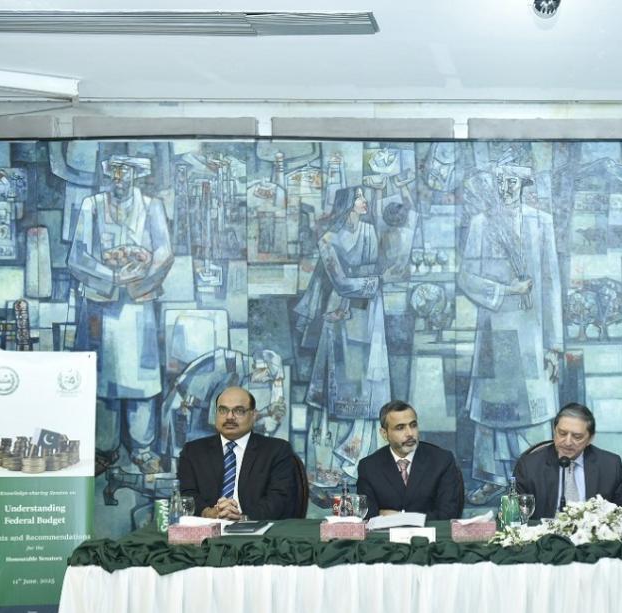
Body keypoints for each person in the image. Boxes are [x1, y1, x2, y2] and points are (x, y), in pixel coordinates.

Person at [458, 159, 564, 504]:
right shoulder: (481, 223)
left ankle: (533, 481)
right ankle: (493, 478)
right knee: (492, 408)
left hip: (531, 333)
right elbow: (466, 278)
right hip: (494, 328)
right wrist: (505, 291)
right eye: (500, 181)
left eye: (512, 182)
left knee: (532, 409)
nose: (505, 188)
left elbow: (550, 283)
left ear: (523, 186)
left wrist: (554, 346)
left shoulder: (541, 222)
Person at [67, 155, 174, 476]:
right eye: (114, 170)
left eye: (124, 171)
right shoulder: (92, 205)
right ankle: (104, 448)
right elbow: (78, 256)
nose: (119, 177)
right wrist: (112, 277)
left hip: (138, 307)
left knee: (141, 380)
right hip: (101, 306)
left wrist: (138, 280)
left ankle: (142, 449)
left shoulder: (152, 206)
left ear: (136, 174)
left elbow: (165, 252)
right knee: (103, 382)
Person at [293, 184, 390, 487]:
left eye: (363, 196)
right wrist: (373, 283)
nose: (364, 201)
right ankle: (327, 467)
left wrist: (368, 281)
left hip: (367, 315)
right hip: (339, 317)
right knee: (336, 391)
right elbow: (341, 282)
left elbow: (373, 267)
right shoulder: (328, 239)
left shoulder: (369, 231)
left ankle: (359, 464)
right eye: (359, 197)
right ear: (347, 203)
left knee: (366, 389)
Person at [177, 386, 300, 521]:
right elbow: (187, 494)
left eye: (239, 411)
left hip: (257, 529)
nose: (229, 417)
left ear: (253, 415)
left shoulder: (277, 450)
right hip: (207, 528)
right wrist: (208, 513)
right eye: (223, 410)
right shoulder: (193, 451)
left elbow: (279, 499)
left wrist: (241, 518)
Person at [513, 402, 622, 520]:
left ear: (590, 439)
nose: (568, 442)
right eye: (562, 433)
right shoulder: (529, 466)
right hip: (544, 533)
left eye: (577, 437)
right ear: (554, 431)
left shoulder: (610, 466)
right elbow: (514, 517)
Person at [356, 400, 464, 520]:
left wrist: (400, 517)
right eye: (400, 428)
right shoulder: (368, 467)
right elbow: (368, 517)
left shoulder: (441, 460)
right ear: (384, 434)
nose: (410, 433)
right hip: (386, 533)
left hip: (432, 532)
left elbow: (448, 515)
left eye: (413, 425)